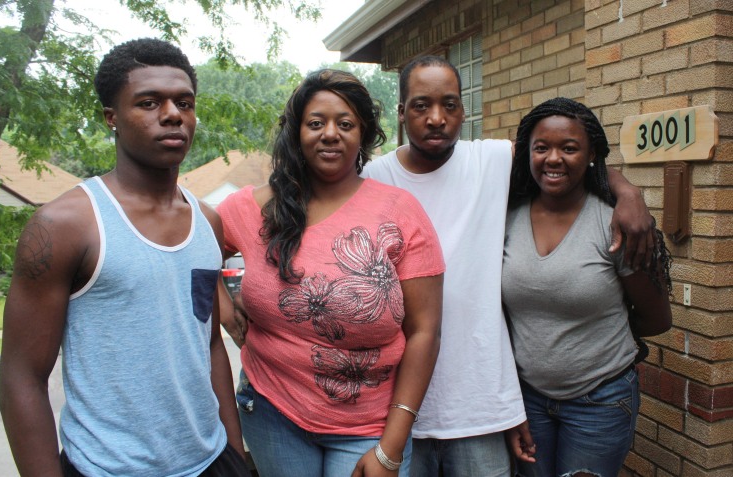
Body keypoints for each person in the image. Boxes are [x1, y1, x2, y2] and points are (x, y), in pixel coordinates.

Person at [358, 56, 656, 477]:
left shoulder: (493, 160)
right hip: (398, 402)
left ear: (464, 111)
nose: (437, 118)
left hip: (483, 403)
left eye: (450, 104)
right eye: (421, 105)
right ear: (401, 111)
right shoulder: (375, 179)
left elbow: (567, 158)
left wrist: (629, 193)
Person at [0, 38, 250, 477]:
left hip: (211, 461)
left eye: (184, 102)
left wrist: (233, 452)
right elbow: (22, 379)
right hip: (108, 468)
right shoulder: (66, 225)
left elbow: (209, 344)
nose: (172, 114)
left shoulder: (207, 223)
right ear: (111, 118)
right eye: (149, 102)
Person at [216, 69, 444, 477]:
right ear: (296, 132)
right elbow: (189, 239)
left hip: (370, 427)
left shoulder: (400, 211)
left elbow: (425, 331)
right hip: (272, 412)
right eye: (316, 123)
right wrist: (221, 302)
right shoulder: (250, 208)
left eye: (345, 123)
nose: (330, 134)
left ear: (363, 134)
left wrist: (390, 449)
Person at [502, 97, 672, 476]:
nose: (553, 158)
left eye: (569, 147)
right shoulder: (506, 216)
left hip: (601, 401)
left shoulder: (616, 225)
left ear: (592, 153)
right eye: (541, 147)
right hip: (527, 399)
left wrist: (592, 338)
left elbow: (656, 318)